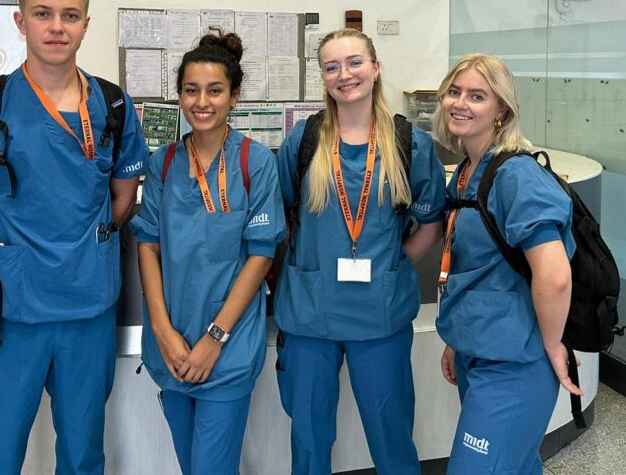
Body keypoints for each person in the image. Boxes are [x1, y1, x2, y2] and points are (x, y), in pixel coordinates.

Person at [0, 0, 146, 474]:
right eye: (43, 14)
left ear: (86, 24)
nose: (57, 27)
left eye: (70, 15)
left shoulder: (113, 105)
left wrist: (85, 253)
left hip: (86, 312)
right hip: (10, 315)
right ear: (20, 20)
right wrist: (4, 270)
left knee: (82, 451)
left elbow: (122, 199)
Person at [274, 28, 446, 475]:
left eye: (354, 63)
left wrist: (394, 263)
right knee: (309, 439)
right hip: (311, 315)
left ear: (375, 67)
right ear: (323, 76)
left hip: (380, 315)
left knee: (391, 435)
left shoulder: (410, 144)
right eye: (332, 66)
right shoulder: (304, 140)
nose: (344, 74)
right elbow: (286, 216)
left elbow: (431, 223)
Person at [132, 32, 285, 475]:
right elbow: (149, 246)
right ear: (179, 95)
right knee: (190, 464)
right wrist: (163, 332)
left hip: (226, 349)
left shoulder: (255, 163)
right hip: (172, 346)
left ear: (234, 96)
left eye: (215, 90)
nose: (202, 101)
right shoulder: (162, 163)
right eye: (191, 90)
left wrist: (213, 341)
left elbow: (260, 256)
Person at [433, 54, 579, 475]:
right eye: (455, 92)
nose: (461, 103)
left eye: (477, 96)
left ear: (502, 111)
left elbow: (554, 276)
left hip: (516, 361)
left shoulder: (515, 174)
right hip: (478, 348)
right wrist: (457, 339)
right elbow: (476, 268)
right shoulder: (465, 172)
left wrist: (553, 345)